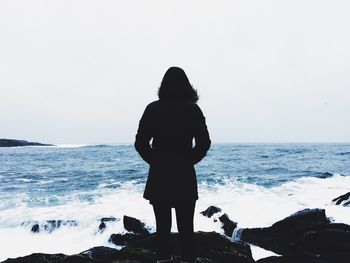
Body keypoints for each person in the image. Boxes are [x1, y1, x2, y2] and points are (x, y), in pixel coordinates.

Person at [135, 67, 211, 263]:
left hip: (159, 175)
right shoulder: (193, 110)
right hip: (184, 175)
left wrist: (156, 161)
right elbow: (204, 143)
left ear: (164, 86)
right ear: (187, 86)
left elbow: (140, 143)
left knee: (162, 229)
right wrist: (188, 161)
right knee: (186, 229)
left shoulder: (152, 108)